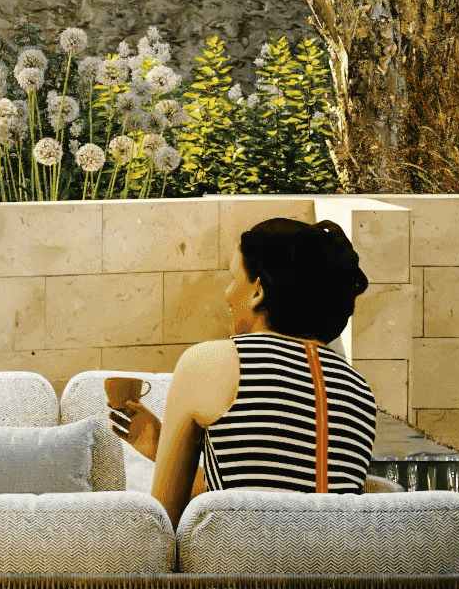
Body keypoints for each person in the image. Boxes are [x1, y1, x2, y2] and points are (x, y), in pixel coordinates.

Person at [116, 215, 377, 521]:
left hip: (232, 566)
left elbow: (163, 521)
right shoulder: (359, 389)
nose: (227, 293)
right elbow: (293, 505)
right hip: (335, 565)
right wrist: (162, 451)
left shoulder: (208, 362)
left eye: (232, 277)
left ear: (258, 291)